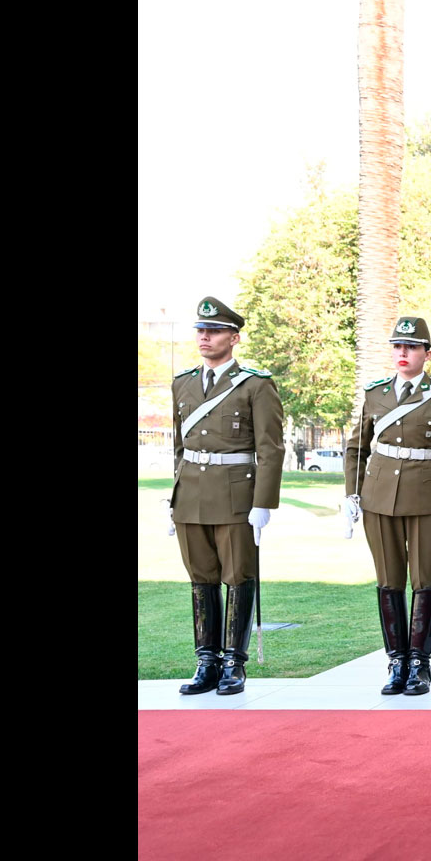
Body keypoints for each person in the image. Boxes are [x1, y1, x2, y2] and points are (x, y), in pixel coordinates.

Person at [342, 316, 431, 696]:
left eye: (412, 347)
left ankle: (419, 663)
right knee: (388, 580)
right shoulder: (375, 394)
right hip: (379, 497)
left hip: (428, 497)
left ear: (427, 354)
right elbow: (356, 449)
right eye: (398, 346)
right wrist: (351, 494)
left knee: (425, 579)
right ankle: (396, 661)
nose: (403, 352)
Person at [168, 296, 283, 696]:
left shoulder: (255, 385)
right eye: (201, 330)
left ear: (233, 338)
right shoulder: (182, 383)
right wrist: (176, 495)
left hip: (236, 497)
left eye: (214, 331)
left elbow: (271, 449)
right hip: (190, 497)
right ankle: (207, 662)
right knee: (201, 580)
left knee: (238, 577)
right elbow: (180, 448)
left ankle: (234, 662)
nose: (205, 337)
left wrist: (263, 502)